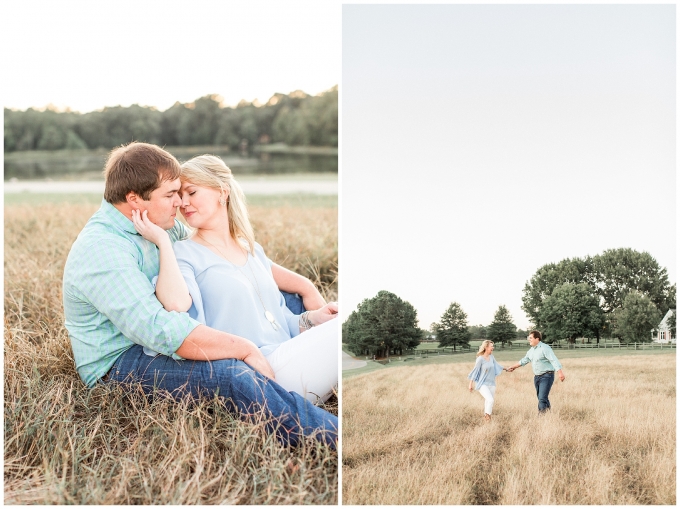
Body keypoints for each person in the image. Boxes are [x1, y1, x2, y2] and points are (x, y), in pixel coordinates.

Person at [62, 142, 337, 448]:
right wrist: (243, 348)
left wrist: (305, 288)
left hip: (158, 333)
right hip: (122, 360)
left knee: (281, 301)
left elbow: (235, 263)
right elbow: (161, 330)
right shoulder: (103, 249)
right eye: (170, 195)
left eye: (184, 193)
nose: (178, 204)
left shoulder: (161, 224)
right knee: (231, 374)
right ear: (134, 198)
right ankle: (336, 439)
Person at [131, 154, 338, 404]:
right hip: (259, 375)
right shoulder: (184, 253)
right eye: (179, 195)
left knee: (345, 316)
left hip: (286, 357)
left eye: (192, 192)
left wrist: (314, 318)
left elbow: (279, 322)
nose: (183, 203)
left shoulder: (251, 249)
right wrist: (163, 241)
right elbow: (175, 304)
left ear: (222, 192)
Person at [506, 330, 566, 414]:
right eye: (528, 338)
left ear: (537, 339)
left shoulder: (545, 348)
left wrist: (560, 372)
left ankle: (541, 416)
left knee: (542, 398)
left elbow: (553, 360)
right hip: (537, 377)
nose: (528, 339)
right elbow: (524, 360)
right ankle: (548, 413)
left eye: (530, 338)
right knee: (542, 397)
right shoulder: (531, 350)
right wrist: (513, 367)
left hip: (547, 376)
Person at [467, 340, 508, 421]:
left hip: (492, 383)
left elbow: (497, 365)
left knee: (488, 401)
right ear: (486, 347)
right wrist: (470, 384)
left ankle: (486, 418)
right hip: (482, 384)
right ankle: (488, 416)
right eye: (491, 346)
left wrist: (507, 368)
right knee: (490, 400)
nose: (493, 347)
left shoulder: (492, 357)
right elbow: (475, 371)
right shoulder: (480, 359)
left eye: (493, 346)